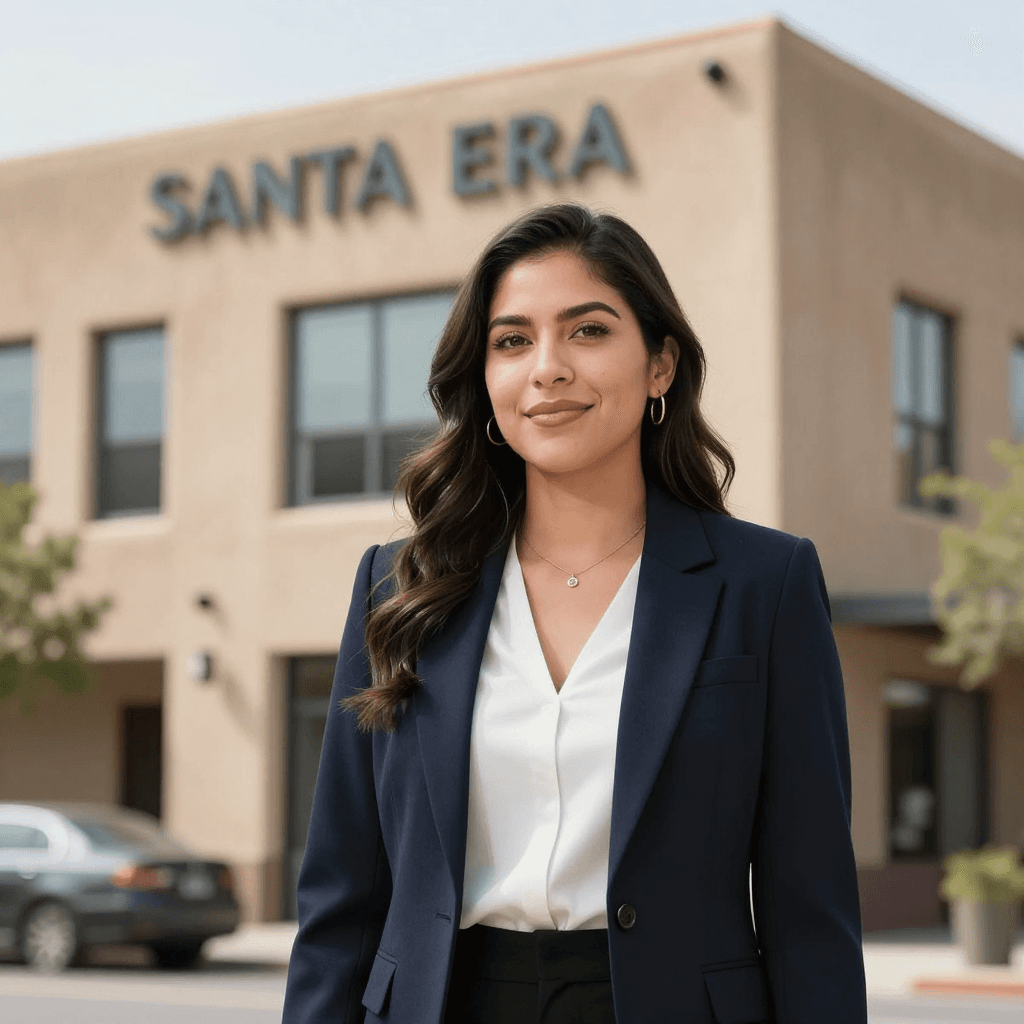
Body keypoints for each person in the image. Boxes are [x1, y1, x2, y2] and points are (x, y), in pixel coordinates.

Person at [281, 203, 868, 1024]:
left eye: (587, 331)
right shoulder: (399, 586)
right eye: (513, 340)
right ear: (484, 379)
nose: (547, 368)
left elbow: (812, 914)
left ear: (660, 364)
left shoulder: (764, 584)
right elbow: (340, 900)